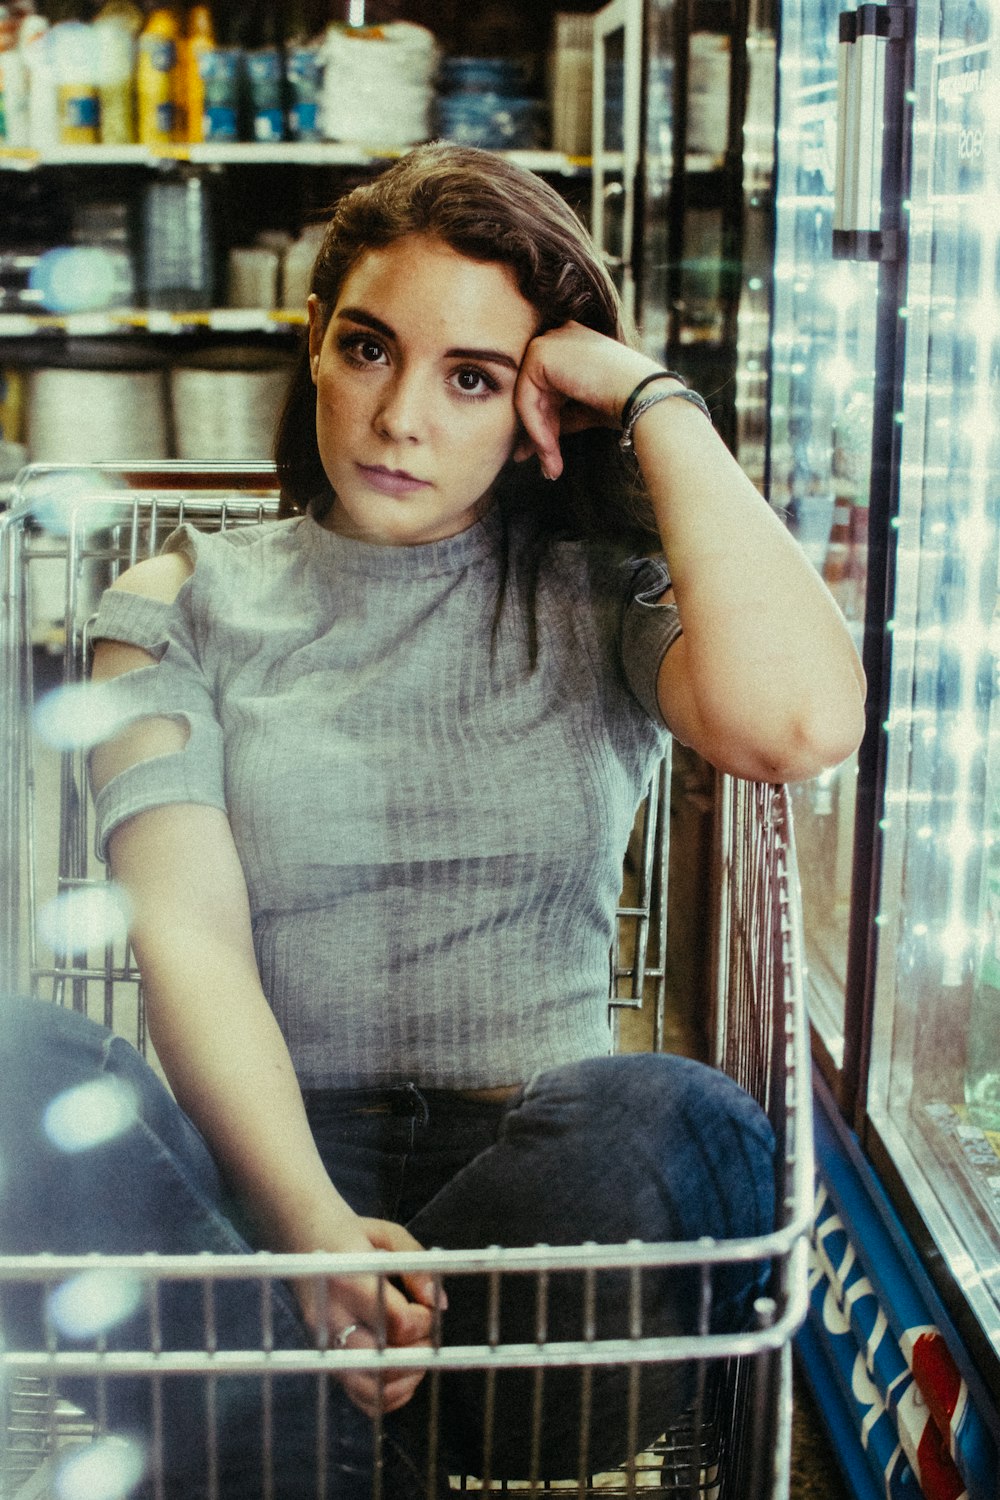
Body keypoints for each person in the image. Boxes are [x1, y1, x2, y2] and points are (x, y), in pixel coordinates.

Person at [0, 144, 865, 1499]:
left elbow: (800, 725)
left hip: (530, 1225)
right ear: (317, 346)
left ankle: (295, 1458)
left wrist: (653, 402)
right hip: (260, 1199)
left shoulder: (599, 595)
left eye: (472, 376)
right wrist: (316, 1239)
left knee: (681, 1119)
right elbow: (192, 940)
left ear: (541, 405)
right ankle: (336, 1452)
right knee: (12, 1057)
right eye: (369, 348)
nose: (401, 415)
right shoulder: (176, 601)